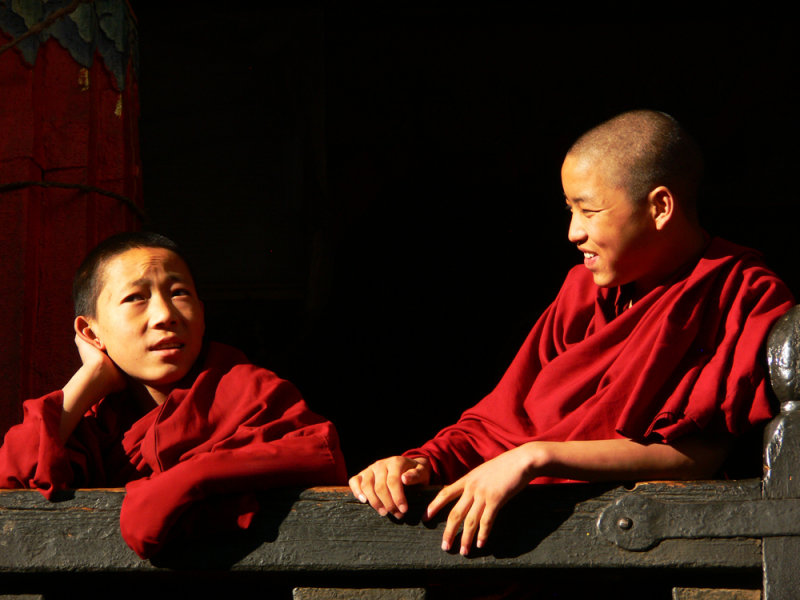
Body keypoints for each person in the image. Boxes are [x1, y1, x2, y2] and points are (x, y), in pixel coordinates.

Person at [349, 109, 795, 556]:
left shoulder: (739, 290)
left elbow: (697, 456)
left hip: (646, 550)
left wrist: (537, 458)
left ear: (660, 207)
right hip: (526, 538)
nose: (573, 232)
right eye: (569, 209)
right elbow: (502, 421)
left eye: (590, 210)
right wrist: (423, 462)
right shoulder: (582, 292)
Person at [0, 231, 347, 559]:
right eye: (136, 297)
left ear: (202, 313)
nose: (165, 315)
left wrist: (192, 478)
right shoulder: (94, 424)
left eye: (179, 293)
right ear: (91, 332)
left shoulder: (247, 390)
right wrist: (87, 378)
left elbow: (320, 455)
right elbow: (12, 478)